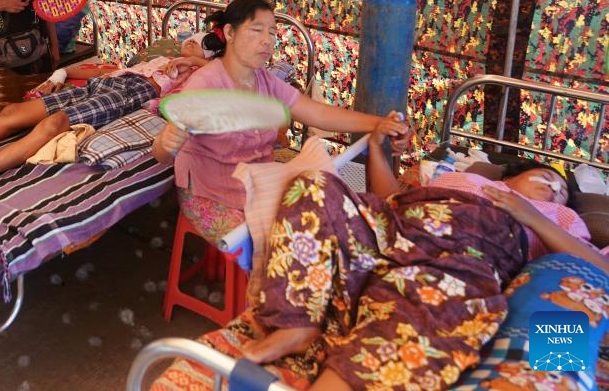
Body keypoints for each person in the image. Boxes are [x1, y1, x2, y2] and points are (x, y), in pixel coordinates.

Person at [235, 119, 608, 390]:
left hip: (462, 255)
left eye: (561, 189)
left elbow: (595, 269)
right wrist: (378, 150)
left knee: (424, 299)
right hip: (394, 230)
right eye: (546, 177)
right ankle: (297, 322)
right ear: (511, 176)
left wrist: (530, 216)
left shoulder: (563, 219)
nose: (554, 188)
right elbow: (393, 196)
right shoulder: (462, 179)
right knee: (314, 187)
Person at [152, 0, 407, 242]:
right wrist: (167, 142)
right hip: (211, 194)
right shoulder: (205, 85)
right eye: (257, 30)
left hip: (260, 184)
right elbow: (161, 154)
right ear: (230, 33)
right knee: (289, 241)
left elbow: (317, 113)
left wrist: (378, 124)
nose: (267, 41)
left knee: (324, 215)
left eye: (272, 33)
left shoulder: (264, 80)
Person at [0, 32, 217, 191]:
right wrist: (60, 74)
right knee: (12, 113)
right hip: (111, 82)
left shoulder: (204, 75)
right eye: (188, 38)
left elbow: (192, 99)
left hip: (132, 94)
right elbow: (99, 70)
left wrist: (194, 63)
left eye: (198, 42)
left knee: (56, 123)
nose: (188, 41)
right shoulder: (156, 59)